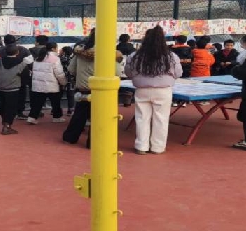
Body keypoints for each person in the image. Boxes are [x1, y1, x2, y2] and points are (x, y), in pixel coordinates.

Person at [124, 26, 182, 155]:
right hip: (163, 90)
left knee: (141, 118)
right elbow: (178, 73)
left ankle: (141, 146)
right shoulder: (171, 56)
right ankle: (158, 147)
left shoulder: (134, 56)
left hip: (141, 90)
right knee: (161, 119)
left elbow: (128, 73)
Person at [62, 29, 123, 147]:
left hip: (83, 87)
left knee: (79, 115)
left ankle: (70, 137)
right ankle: (93, 142)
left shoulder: (80, 51)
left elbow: (71, 69)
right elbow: (117, 72)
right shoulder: (110, 53)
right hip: (101, 89)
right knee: (99, 117)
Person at [0, 43, 33, 135]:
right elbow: (25, 74)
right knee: (11, 107)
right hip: (13, 87)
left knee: (3, 104)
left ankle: (4, 121)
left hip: (0, 87)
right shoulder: (21, 63)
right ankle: (7, 125)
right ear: (17, 52)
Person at [28, 42, 67, 124]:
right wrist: (63, 82)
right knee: (55, 102)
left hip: (38, 85)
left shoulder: (38, 58)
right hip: (51, 84)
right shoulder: (55, 59)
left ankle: (32, 117)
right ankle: (57, 117)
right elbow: (59, 73)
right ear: (53, 49)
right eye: (56, 48)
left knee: (37, 103)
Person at [0, 34, 31, 119]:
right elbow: (29, 61)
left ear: (5, 42)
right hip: (20, 74)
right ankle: (19, 112)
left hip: (4, 75)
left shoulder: (1, 50)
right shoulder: (22, 49)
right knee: (21, 94)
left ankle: (6, 114)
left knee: (4, 98)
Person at [59, 46, 76, 115]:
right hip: (71, 79)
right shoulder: (73, 59)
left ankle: (56, 109)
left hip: (62, 78)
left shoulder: (60, 59)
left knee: (59, 94)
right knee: (71, 95)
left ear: (64, 52)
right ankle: (70, 110)